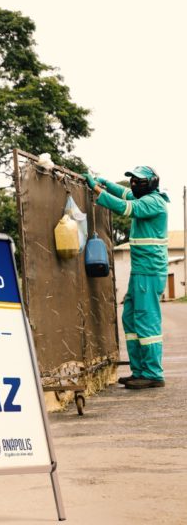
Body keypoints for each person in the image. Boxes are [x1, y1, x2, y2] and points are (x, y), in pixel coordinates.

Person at [85, 166, 169, 389]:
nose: (133, 184)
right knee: (130, 317)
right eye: (131, 180)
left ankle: (153, 373)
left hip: (149, 270)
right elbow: (123, 194)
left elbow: (125, 206)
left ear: (151, 182)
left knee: (146, 319)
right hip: (140, 269)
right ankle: (139, 370)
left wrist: (96, 190)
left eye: (138, 180)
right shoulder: (145, 196)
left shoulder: (154, 202)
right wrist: (106, 183)